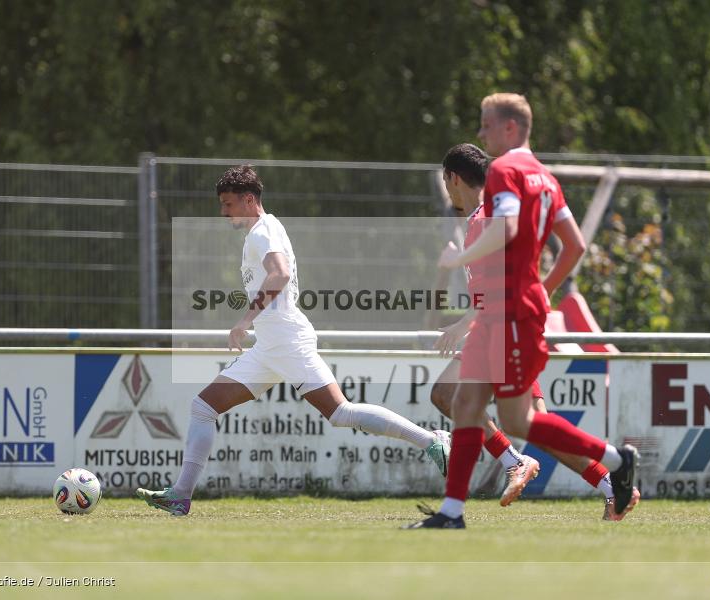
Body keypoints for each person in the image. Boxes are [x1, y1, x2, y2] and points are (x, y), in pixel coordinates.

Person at [137, 165, 451, 516]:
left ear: (248, 199)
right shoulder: (262, 229)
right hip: (269, 347)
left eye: (227, 204)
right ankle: (180, 495)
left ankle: (432, 440)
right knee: (203, 407)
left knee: (340, 412)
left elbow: (280, 274)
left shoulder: (262, 232)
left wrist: (244, 320)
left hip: (286, 341)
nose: (223, 212)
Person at [407, 95, 639, 529]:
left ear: (510, 128)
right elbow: (574, 246)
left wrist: (459, 261)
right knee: (464, 401)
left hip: (509, 318)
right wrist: (542, 292)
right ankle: (453, 512)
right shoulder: (546, 178)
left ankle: (613, 463)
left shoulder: (504, 176)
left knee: (518, 419)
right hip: (512, 313)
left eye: (487, 124)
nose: (482, 133)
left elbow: (507, 231)